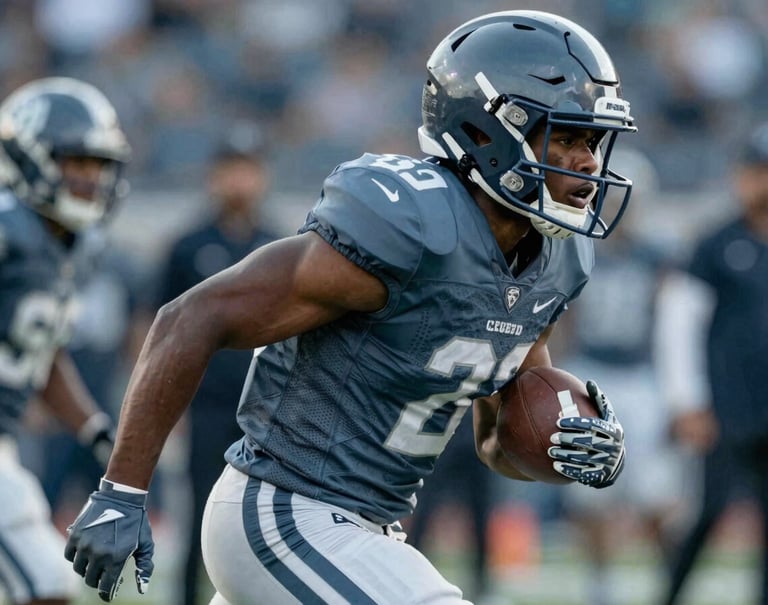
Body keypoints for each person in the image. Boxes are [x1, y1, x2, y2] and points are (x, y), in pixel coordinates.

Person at [64, 11, 635, 604]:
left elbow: (494, 442)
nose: (588, 163)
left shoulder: (554, 262)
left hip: (367, 528)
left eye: (592, 142)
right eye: (565, 138)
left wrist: (569, 447)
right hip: (286, 510)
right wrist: (121, 491)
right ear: (488, 133)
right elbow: (188, 318)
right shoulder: (411, 225)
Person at [0, 77, 131, 605]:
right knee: (45, 588)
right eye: (75, 163)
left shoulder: (63, 243)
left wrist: (93, 428)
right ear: (28, 157)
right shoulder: (10, 230)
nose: (88, 179)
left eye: (98, 166)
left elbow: (40, 352)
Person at [556, 148, 689, 605]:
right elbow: (565, 320)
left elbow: (673, 324)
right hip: (592, 373)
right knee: (590, 495)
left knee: (657, 496)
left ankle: (673, 579)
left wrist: (676, 391)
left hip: (642, 376)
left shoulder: (659, 253)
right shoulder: (577, 243)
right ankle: (601, 586)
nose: (616, 209)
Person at [154, 130, 279, 605]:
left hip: (265, 408)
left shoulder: (279, 244)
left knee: (264, 516)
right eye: (231, 169)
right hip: (204, 403)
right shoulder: (188, 245)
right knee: (200, 515)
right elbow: (156, 328)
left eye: (248, 169)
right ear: (214, 176)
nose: (240, 181)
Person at [656, 123, 768, 605]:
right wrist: (687, 401)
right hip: (725, 409)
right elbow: (678, 325)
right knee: (707, 511)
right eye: (756, 171)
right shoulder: (715, 244)